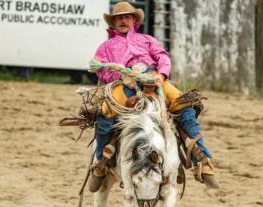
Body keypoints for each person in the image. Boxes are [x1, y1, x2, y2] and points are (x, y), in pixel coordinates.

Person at [88, 1, 219, 192]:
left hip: (153, 79)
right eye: (119, 18)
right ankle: (101, 163)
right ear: (113, 22)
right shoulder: (105, 47)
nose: (123, 21)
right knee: (104, 113)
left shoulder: (147, 40)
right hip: (123, 83)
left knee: (185, 105)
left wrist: (161, 74)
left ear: (134, 20)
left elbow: (163, 57)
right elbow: (100, 70)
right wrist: (120, 76)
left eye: (127, 17)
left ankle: (202, 159)